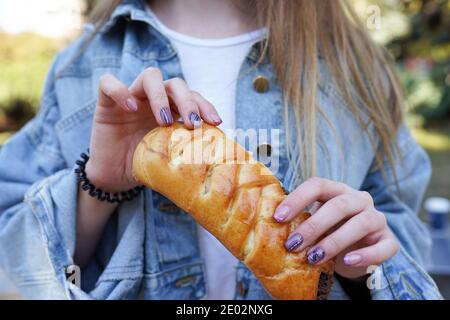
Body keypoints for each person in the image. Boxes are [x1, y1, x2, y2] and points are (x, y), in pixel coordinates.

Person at [0, 0, 442, 299]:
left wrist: (361, 262)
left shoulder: (357, 67)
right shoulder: (81, 66)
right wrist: (97, 184)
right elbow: (15, 267)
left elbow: (400, 236)